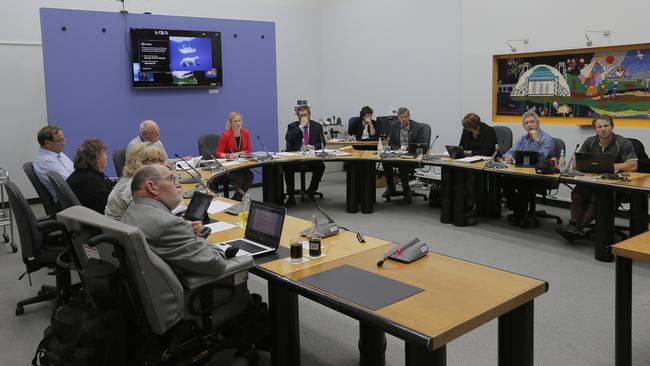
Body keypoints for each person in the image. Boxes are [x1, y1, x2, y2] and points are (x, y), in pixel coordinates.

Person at [122, 165, 236, 276]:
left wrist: (185, 232)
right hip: (193, 289)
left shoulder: (129, 213)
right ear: (151, 187)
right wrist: (197, 237)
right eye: (171, 179)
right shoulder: (169, 224)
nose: (178, 185)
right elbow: (217, 263)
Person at [557, 115, 637, 241]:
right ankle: (575, 224)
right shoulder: (590, 141)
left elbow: (633, 165)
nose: (603, 129)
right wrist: (576, 162)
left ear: (612, 127)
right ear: (595, 129)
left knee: (597, 198)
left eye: (606, 126)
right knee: (577, 194)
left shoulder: (622, 142)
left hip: (614, 183)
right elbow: (578, 162)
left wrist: (610, 166)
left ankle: (578, 227)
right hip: (593, 180)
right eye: (599, 127)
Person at [501, 111, 555, 224]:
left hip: (539, 175)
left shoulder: (547, 139)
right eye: (526, 123)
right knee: (504, 180)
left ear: (538, 123)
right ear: (523, 126)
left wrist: (536, 141)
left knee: (522, 183)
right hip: (523, 172)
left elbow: (541, 159)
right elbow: (510, 152)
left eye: (532, 122)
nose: (530, 125)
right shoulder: (523, 138)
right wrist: (508, 157)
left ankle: (519, 214)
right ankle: (518, 210)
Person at [105, 142, 167, 220]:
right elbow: (144, 221)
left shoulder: (141, 179)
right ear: (138, 162)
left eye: (160, 161)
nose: (158, 165)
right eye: (153, 160)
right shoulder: (133, 186)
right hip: (123, 229)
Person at [457, 113, 497, 224]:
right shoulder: (466, 130)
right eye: (466, 128)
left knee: (471, 177)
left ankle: (470, 207)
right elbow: (461, 147)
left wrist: (468, 152)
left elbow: (487, 152)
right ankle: (460, 203)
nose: (467, 130)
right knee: (456, 172)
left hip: (484, 163)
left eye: (469, 128)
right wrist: (461, 152)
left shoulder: (489, 131)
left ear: (475, 125)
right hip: (468, 162)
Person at [381, 107, 428, 202]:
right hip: (398, 153)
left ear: (409, 116)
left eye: (406, 117)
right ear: (398, 118)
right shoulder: (394, 126)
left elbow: (422, 144)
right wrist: (397, 149)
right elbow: (392, 142)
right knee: (385, 161)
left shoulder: (418, 127)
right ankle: (391, 188)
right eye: (401, 117)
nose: (404, 119)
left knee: (402, 163)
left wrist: (407, 148)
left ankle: (406, 189)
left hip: (412, 156)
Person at [284, 105, 326, 207]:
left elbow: (322, 143)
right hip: (296, 159)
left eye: (305, 115)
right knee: (287, 167)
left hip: (310, 158)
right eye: (300, 115)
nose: (303, 117)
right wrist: (301, 127)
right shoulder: (292, 126)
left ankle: (311, 190)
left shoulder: (317, 126)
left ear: (309, 115)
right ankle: (291, 197)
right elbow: (288, 138)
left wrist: (313, 146)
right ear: (297, 116)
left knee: (321, 166)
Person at [213, 112, 254, 201]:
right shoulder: (226, 135)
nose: (238, 123)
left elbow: (249, 150)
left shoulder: (245, 132)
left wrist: (242, 153)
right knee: (240, 178)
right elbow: (218, 152)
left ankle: (236, 199)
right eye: (235, 121)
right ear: (231, 123)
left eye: (240, 120)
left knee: (250, 175)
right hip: (229, 166)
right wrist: (228, 155)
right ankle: (236, 200)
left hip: (240, 164)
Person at [66, 139, 114, 214]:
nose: (107, 156)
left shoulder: (82, 174)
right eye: (105, 154)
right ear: (97, 158)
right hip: (94, 221)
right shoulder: (92, 181)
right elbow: (110, 208)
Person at [33, 125, 74, 200]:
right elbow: (69, 183)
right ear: (47, 143)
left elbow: (74, 170)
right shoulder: (46, 162)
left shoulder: (58, 154)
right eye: (59, 141)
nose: (63, 143)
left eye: (63, 139)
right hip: (68, 200)